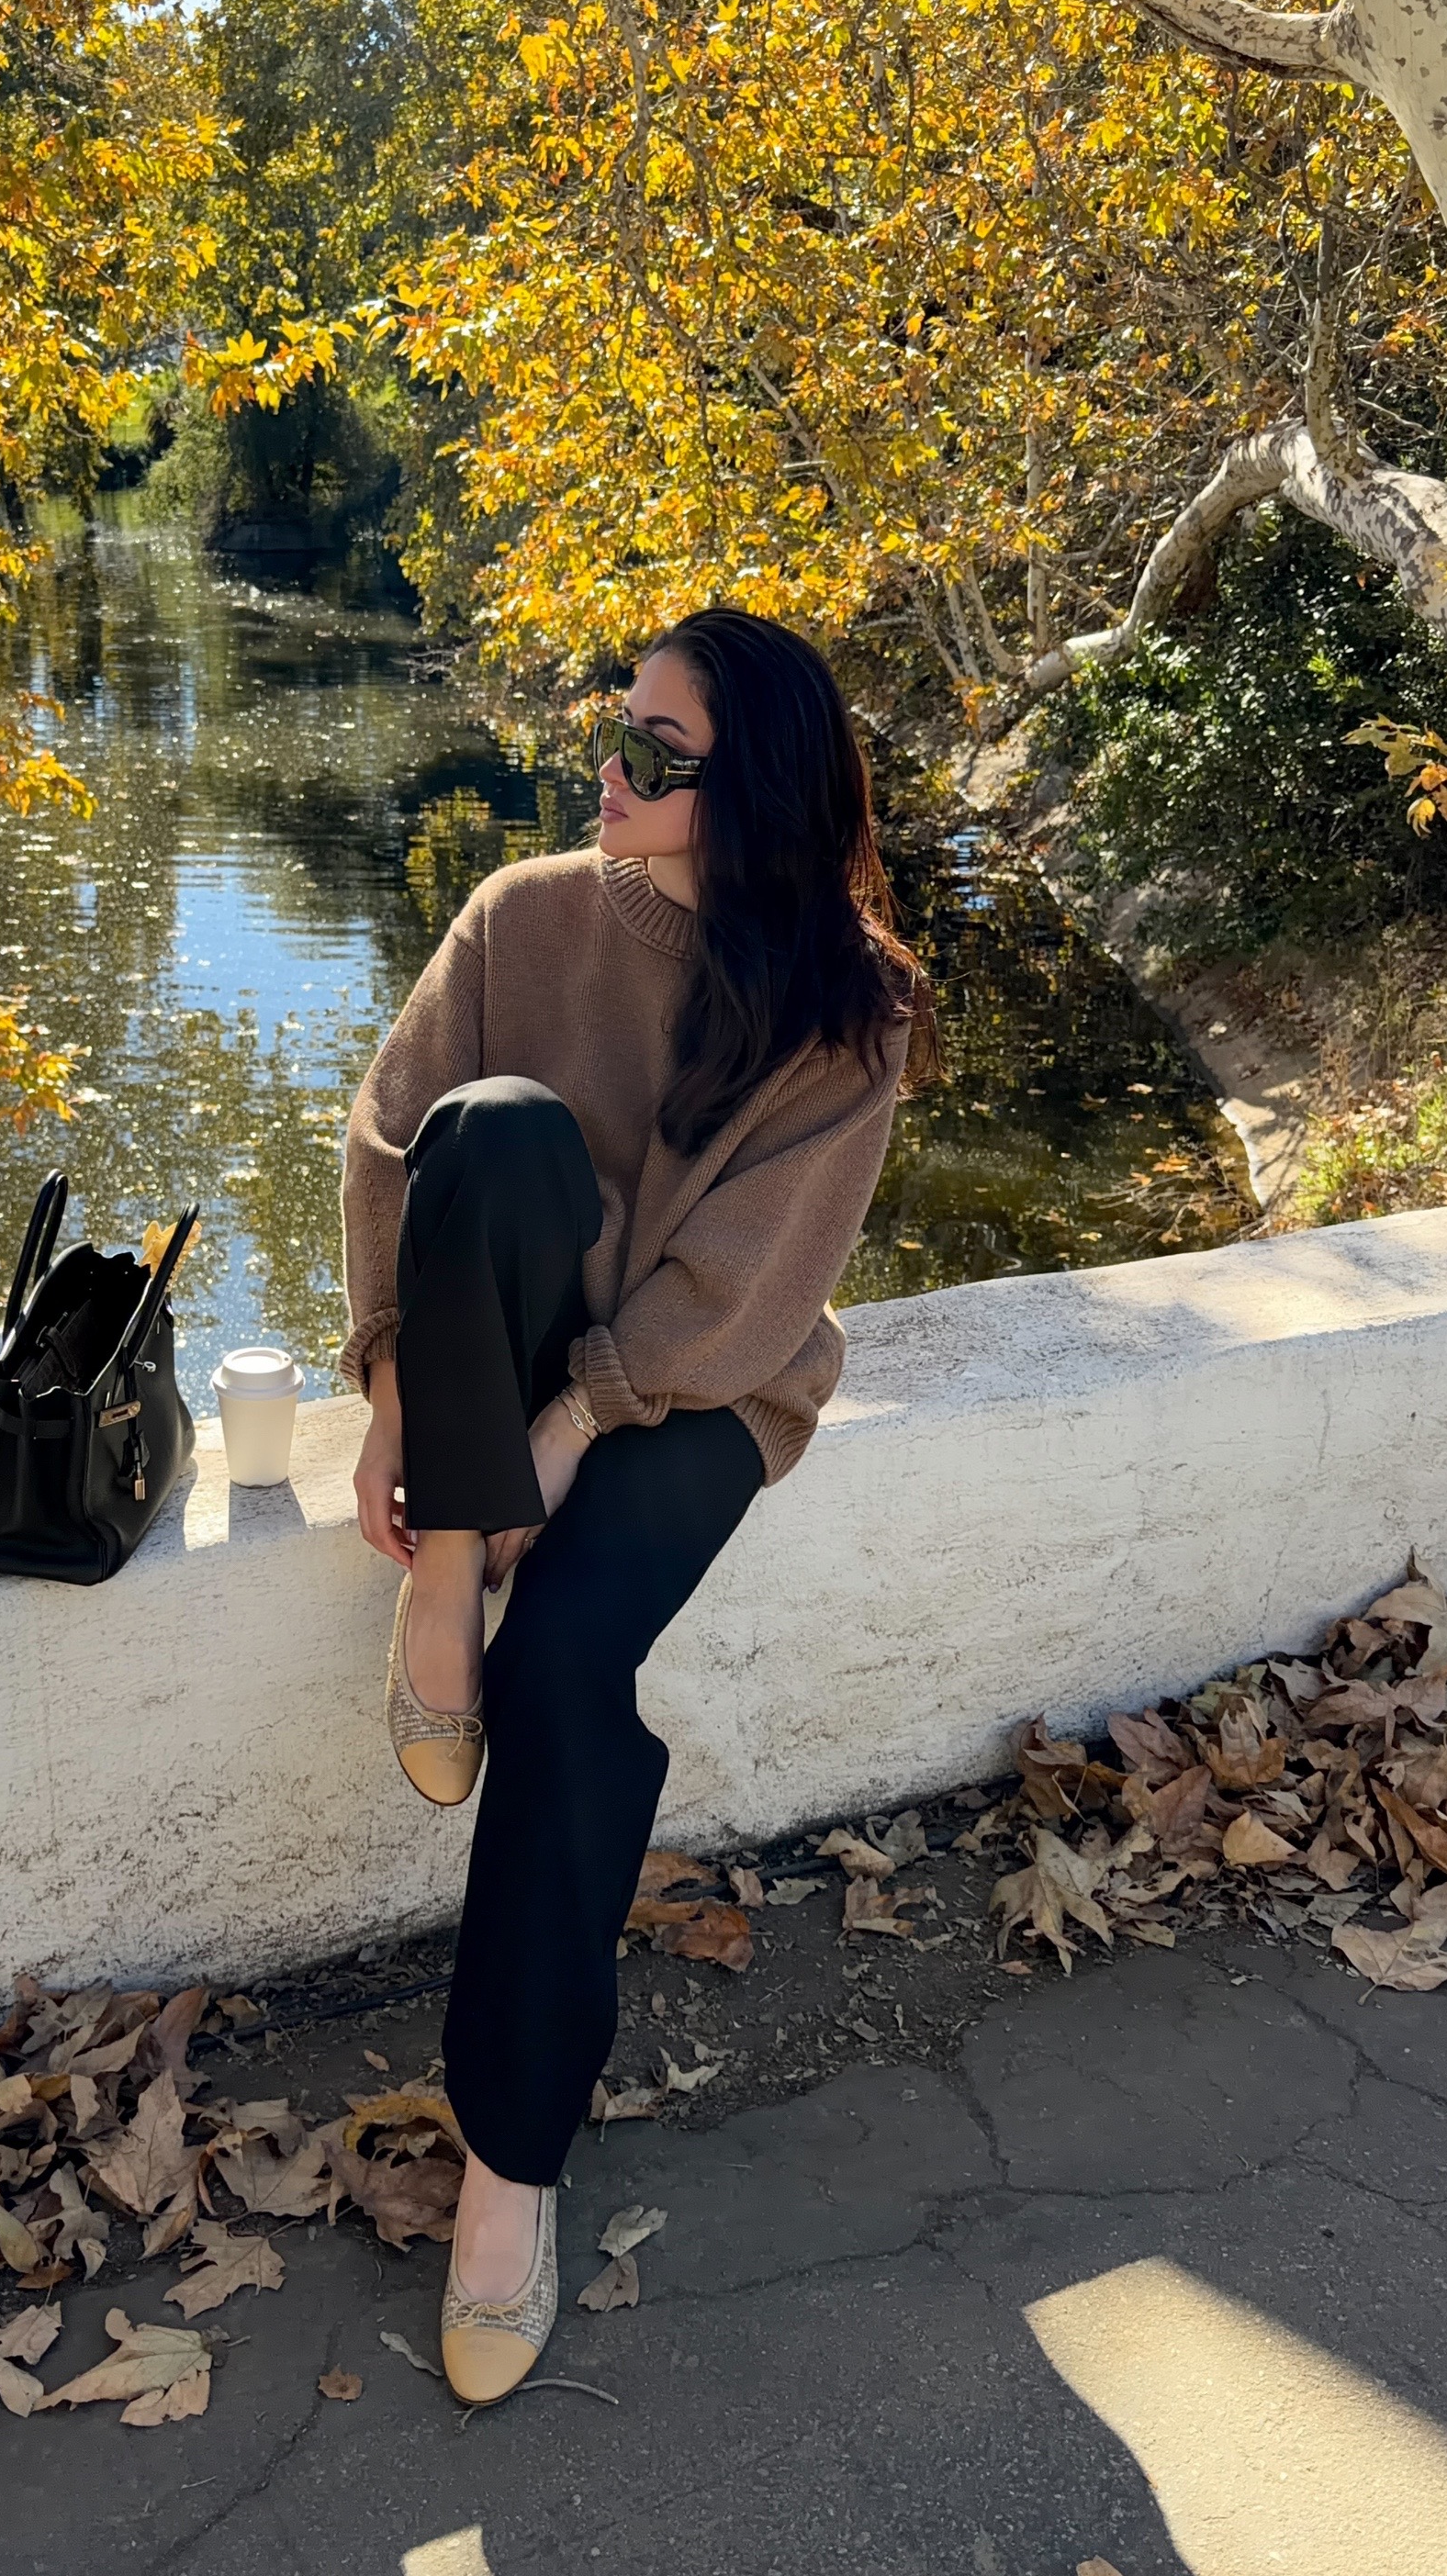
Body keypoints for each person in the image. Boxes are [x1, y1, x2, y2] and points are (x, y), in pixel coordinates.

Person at [340, 605, 935, 2404]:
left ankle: (509, 2172)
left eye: (658, 754)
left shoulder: (853, 1008)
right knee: (495, 1127)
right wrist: (401, 1405)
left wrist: (574, 1425)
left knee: (566, 1667)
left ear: (753, 788)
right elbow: (387, 1146)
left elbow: (755, 1285)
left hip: (703, 1385)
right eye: (616, 732)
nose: (608, 771)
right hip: (495, 1344)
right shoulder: (524, 916)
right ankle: (440, 1584)